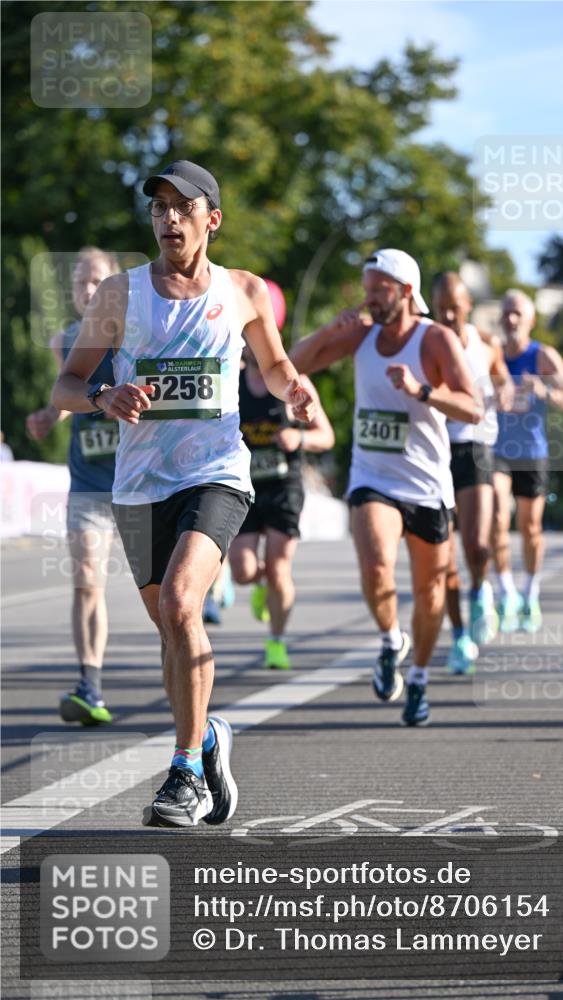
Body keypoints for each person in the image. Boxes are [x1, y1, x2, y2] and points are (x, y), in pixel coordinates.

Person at [52, 160, 315, 827]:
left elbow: (276, 366)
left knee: (179, 601)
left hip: (216, 474)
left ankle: (184, 774)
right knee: (174, 630)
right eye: (158, 209)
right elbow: (65, 385)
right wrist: (102, 395)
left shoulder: (245, 291)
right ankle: (207, 740)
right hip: (137, 486)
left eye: (182, 207)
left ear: (211, 220)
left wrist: (297, 393)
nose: (168, 220)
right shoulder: (119, 295)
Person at [290, 248, 477, 726]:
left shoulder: (434, 339)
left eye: (380, 289)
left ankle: (417, 676)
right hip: (373, 477)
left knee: (430, 590)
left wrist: (423, 392)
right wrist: (331, 330)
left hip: (427, 484)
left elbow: (472, 409)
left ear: (407, 292)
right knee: (376, 565)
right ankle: (392, 638)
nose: (370, 297)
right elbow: (293, 365)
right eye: (367, 287)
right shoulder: (361, 333)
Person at [27, 247, 121, 725]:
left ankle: (181, 680)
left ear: (114, 285)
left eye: (97, 280)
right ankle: (91, 685)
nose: (87, 290)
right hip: (88, 482)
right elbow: (68, 391)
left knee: (164, 592)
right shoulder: (66, 338)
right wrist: (49, 416)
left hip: (138, 482)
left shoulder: (134, 336)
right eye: (80, 282)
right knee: (88, 582)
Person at [229, 347, 335, 669]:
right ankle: (263, 583)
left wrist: (298, 439)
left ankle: (276, 641)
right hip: (244, 486)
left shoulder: (294, 382)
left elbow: (326, 437)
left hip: (283, 486)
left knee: (279, 567)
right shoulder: (230, 381)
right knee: (242, 571)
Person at [431, 272, 511, 674]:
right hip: (433, 451)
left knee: (478, 544)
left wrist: (507, 391)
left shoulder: (486, 343)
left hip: (476, 447)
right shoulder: (426, 342)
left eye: (454, 305)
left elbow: (505, 384)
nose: (447, 313)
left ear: (467, 305)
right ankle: (460, 635)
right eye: (441, 305)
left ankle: (480, 592)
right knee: (443, 555)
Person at [493, 289, 563, 633]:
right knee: (498, 519)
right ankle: (505, 593)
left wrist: (545, 391)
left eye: (517, 313)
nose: (510, 319)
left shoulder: (542, 356)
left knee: (530, 528)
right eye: (506, 313)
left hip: (531, 453)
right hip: (496, 452)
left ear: (530, 320)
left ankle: (530, 593)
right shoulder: (493, 356)